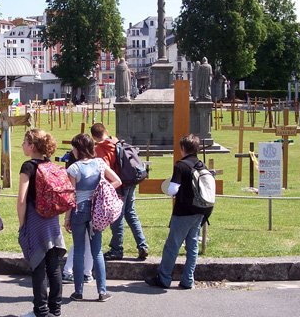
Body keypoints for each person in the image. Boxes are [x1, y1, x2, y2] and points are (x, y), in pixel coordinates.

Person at [145, 134, 212, 289]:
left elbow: (172, 190)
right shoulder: (202, 165)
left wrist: (169, 187)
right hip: (200, 210)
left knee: (172, 246)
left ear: (182, 148)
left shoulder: (180, 166)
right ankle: (188, 280)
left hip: (183, 211)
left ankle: (164, 278)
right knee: (192, 245)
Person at [17, 129, 66, 317]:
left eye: (24, 142)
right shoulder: (49, 164)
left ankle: (40, 311)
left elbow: (21, 199)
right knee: (54, 267)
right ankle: (55, 309)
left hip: (35, 219)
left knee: (37, 265)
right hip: (52, 219)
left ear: (32, 146)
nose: (22, 145)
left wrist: (22, 225)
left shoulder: (28, 166)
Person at [65, 133, 121, 302]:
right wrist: (102, 190)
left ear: (77, 149)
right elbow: (117, 181)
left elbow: (71, 195)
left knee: (79, 250)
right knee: (97, 251)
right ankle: (102, 291)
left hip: (79, 210)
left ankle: (78, 291)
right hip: (97, 209)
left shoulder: (73, 169)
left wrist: (67, 218)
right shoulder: (100, 163)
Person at [90, 123, 149, 261]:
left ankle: (117, 249)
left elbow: (104, 169)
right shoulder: (117, 141)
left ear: (94, 136)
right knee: (130, 213)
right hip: (130, 180)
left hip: (117, 185)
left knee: (117, 216)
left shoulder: (100, 149)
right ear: (106, 131)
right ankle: (142, 245)